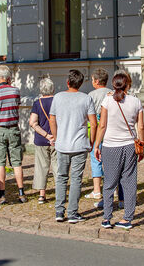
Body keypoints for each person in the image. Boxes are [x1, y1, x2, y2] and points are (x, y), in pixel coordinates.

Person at [94, 72, 144, 230]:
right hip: (130, 145)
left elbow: (102, 125)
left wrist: (96, 145)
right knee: (129, 182)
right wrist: (142, 146)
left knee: (109, 183)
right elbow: (141, 127)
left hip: (110, 145)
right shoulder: (136, 102)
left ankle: (106, 218)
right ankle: (127, 218)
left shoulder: (107, 100)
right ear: (128, 85)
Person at [49, 69, 97, 224]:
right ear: (81, 84)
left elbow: (52, 119)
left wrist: (56, 138)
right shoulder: (86, 98)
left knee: (61, 177)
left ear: (67, 82)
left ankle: (59, 211)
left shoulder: (58, 97)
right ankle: (72, 213)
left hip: (62, 144)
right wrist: (92, 141)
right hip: (80, 144)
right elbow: (93, 123)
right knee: (76, 179)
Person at [0, 65, 27, 204]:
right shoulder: (15, 91)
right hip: (13, 129)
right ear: (9, 78)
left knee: (0, 163)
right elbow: (16, 106)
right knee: (16, 162)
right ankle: (21, 193)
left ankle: (2, 195)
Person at [29, 77, 57, 204]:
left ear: (41, 90)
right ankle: (59, 192)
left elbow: (33, 123)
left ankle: (42, 195)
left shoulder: (37, 103)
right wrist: (53, 136)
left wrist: (46, 135)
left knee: (41, 167)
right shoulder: (58, 101)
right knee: (58, 167)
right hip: (57, 139)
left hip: (41, 139)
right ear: (53, 88)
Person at [86, 68, 111, 200]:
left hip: (96, 126)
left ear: (96, 81)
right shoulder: (111, 93)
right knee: (110, 159)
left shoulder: (91, 95)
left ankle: (97, 190)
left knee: (96, 157)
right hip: (110, 127)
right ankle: (114, 188)